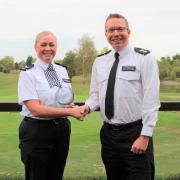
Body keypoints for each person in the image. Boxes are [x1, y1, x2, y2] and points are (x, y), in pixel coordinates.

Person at [81, 13, 160, 180]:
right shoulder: (100, 61)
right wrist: (86, 107)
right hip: (108, 135)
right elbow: (95, 95)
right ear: (106, 35)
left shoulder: (145, 58)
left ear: (129, 32)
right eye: (111, 30)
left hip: (135, 133)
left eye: (120, 29)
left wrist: (145, 136)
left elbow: (151, 99)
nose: (115, 33)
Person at [18, 31, 84, 180]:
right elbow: (35, 109)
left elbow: (63, 99)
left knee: (56, 175)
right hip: (37, 131)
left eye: (51, 44)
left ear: (57, 47)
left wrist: (70, 106)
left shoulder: (62, 70)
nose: (48, 48)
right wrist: (70, 112)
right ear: (36, 47)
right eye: (43, 44)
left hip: (61, 130)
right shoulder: (28, 73)